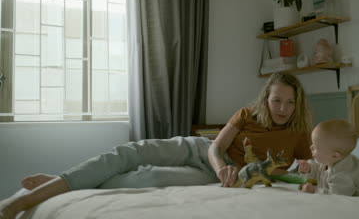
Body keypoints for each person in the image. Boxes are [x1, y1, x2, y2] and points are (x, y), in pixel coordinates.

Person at [0, 72, 312, 219]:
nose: (282, 108)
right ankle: (22, 202)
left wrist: (311, 170)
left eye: (288, 102)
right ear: (266, 99)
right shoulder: (247, 114)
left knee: (145, 178)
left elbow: (314, 167)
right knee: (127, 154)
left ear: (297, 104)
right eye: (276, 100)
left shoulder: (300, 134)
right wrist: (223, 169)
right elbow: (216, 148)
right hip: (200, 152)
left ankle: (63, 183)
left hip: (209, 178)